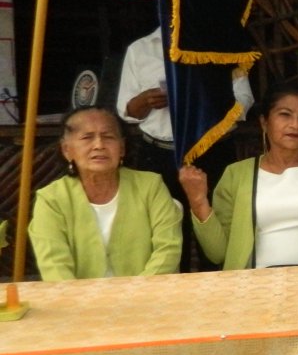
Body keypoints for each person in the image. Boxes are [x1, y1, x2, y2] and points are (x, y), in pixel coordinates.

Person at [180, 84, 298, 269]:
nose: (295, 125)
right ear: (264, 122)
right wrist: (198, 201)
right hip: (255, 285)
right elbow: (218, 253)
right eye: (285, 114)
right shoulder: (237, 174)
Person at [116, 26, 253, 272]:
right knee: (165, 237)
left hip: (214, 151)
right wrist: (145, 101)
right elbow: (127, 112)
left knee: (216, 237)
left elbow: (244, 102)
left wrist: (206, 101)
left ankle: (219, 303)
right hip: (160, 154)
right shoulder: (141, 49)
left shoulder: (222, 47)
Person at [28, 106, 182, 280]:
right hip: (77, 302)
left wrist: (137, 294)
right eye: (87, 137)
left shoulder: (150, 186)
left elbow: (168, 249)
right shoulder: (51, 199)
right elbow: (54, 266)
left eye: (108, 137)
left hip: (145, 297)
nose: (99, 145)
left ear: (122, 148)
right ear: (66, 150)